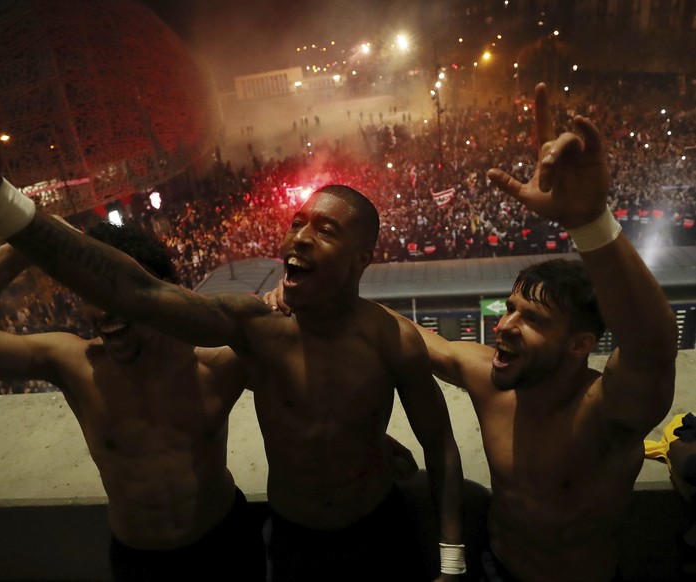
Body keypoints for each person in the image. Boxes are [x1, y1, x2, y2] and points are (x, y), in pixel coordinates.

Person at [0, 81, 465, 581]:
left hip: (369, 532)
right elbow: (138, 293)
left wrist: (451, 557)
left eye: (324, 229)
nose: (299, 237)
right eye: (295, 223)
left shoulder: (388, 341)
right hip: (290, 545)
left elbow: (431, 439)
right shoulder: (253, 332)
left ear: (363, 257)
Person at [266, 82, 679, 581]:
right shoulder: (486, 378)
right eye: (510, 309)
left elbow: (652, 348)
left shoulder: (608, 413)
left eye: (533, 320)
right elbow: (395, 333)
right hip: (494, 568)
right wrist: (306, 295)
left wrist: (591, 223)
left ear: (580, 346)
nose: (504, 327)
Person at [0, 220, 266, 582]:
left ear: (159, 295)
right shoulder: (74, 364)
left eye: (113, 296)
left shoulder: (217, 363)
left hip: (224, 544)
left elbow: (305, 352)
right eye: (90, 296)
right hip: (141, 561)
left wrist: (284, 301)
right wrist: (17, 248)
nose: (102, 312)